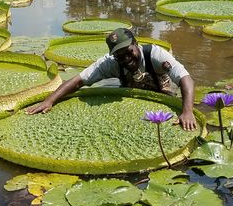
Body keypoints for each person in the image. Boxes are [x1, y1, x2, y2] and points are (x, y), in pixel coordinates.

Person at [27, 28, 197, 131]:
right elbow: (78, 81)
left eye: (128, 51)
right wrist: (50, 101)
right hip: (131, 98)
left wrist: (187, 111)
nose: (126, 58)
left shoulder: (155, 54)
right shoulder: (109, 63)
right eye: (119, 55)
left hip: (161, 92)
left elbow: (185, 79)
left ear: (136, 43)